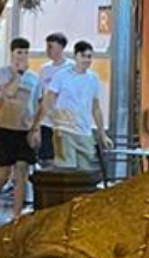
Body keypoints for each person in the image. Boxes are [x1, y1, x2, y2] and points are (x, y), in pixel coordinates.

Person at [0, 37, 43, 225]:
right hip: (5, 128)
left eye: (26, 52)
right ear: (12, 54)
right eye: (19, 52)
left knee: (22, 171)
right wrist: (18, 75)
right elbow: (8, 93)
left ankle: (16, 216)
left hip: (24, 130)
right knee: (2, 175)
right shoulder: (4, 73)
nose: (23, 56)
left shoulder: (34, 78)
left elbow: (39, 105)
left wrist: (36, 129)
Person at [38, 40, 107, 173]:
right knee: (66, 171)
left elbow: (95, 107)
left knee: (86, 172)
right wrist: (48, 119)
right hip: (64, 130)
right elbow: (48, 99)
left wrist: (102, 133)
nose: (87, 60)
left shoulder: (93, 78)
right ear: (76, 56)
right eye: (83, 56)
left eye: (89, 56)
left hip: (84, 130)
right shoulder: (62, 75)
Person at [35, 32, 69, 166]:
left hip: (65, 121)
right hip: (47, 121)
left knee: (63, 158)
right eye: (47, 47)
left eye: (51, 47)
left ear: (61, 48)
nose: (48, 50)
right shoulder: (44, 69)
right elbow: (40, 95)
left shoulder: (70, 68)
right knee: (47, 158)